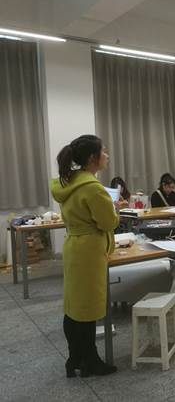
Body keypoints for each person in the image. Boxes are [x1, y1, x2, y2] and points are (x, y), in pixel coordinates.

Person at [51, 135, 119, 378]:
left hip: (74, 245)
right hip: (89, 249)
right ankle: (90, 361)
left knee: (74, 307)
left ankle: (75, 358)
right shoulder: (92, 187)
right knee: (88, 309)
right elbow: (108, 222)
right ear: (93, 158)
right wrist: (115, 210)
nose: (107, 155)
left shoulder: (68, 181)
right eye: (103, 151)